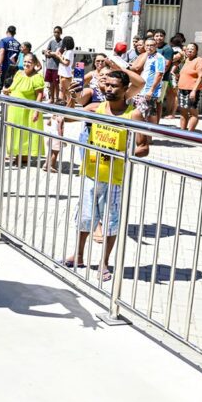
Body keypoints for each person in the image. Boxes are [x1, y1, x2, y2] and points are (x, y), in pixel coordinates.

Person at [63, 70, 150, 281]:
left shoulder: (134, 115)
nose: (109, 88)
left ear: (125, 89)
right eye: (107, 85)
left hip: (115, 177)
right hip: (90, 173)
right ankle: (79, 255)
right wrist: (71, 98)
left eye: (114, 86)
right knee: (84, 216)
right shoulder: (96, 108)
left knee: (110, 222)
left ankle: (104, 262)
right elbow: (67, 117)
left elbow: (144, 147)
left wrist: (121, 154)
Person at [2, 53, 45, 166]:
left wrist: (36, 111)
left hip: (27, 111)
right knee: (14, 131)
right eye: (25, 61)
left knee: (25, 133)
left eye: (29, 62)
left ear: (35, 64)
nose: (26, 64)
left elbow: (40, 95)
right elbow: (14, 86)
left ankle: (22, 158)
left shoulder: (37, 77)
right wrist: (7, 90)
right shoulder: (19, 74)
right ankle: (15, 154)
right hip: (14, 109)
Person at [135, 36, 165, 123]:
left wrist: (151, 90)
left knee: (150, 114)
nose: (149, 47)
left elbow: (159, 74)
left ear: (156, 46)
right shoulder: (147, 56)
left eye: (151, 45)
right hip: (142, 90)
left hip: (150, 91)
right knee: (144, 114)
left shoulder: (159, 58)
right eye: (147, 45)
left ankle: (150, 134)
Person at [178, 43, 202, 132]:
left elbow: (201, 76)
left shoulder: (199, 60)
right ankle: (182, 133)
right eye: (188, 49)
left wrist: (194, 91)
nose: (189, 50)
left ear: (196, 51)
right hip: (182, 89)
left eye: (192, 49)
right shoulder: (186, 60)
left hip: (193, 90)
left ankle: (190, 133)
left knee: (193, 112)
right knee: (183, 112)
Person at [47, 36, 75, 103]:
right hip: (63, 75)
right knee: (66, 93)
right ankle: (68, 106)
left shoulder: (69, 52)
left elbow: (66, 63)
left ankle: (64, 107)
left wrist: (59, 57)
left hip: (65, 76)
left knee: (64, 92)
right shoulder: (67, 51)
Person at [0, 25, 21, 92]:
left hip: (4, 66)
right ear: (15, 33)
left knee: (0, 86)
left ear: (7, 32)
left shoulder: (3, 41)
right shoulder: (18, 43)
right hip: (13, 68)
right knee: (9, 86)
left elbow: (2, 52)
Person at [43, 26, 64, 103]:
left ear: (61, 33)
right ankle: (51, 98)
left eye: (58, 32)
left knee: (56, 84)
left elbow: (59, 53)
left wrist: (51, 53)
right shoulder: (51, 42)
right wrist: (48, 53)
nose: (56, 34)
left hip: (57, 67)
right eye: (55, 32)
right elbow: (46, 51)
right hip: (50, 66)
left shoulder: (62, 43)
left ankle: (57, 98)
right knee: (50, 83)